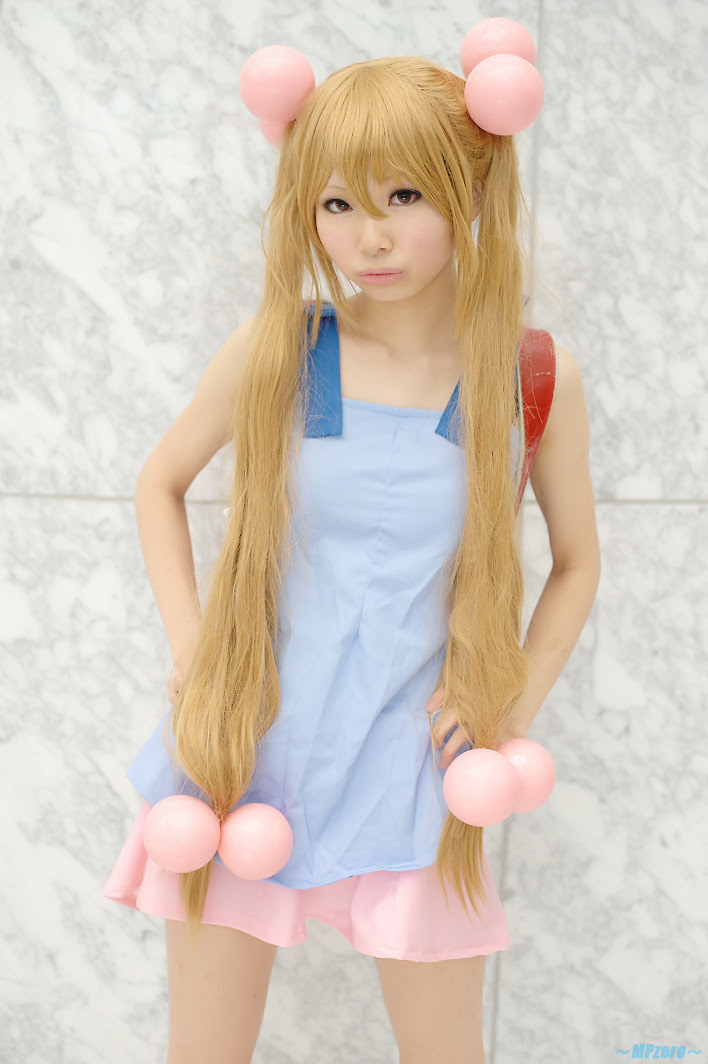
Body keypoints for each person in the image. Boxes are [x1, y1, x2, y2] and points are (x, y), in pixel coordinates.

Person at [103, 25, 601, 1064]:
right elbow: (159, 482)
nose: (369, 237)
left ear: (471, 189)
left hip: (415, 764)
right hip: (248, 748)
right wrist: (197, 654)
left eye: (402, 197)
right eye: (337, 205)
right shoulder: (283, 346)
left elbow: (576, 562)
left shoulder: (528, 376)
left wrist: (506, 707)